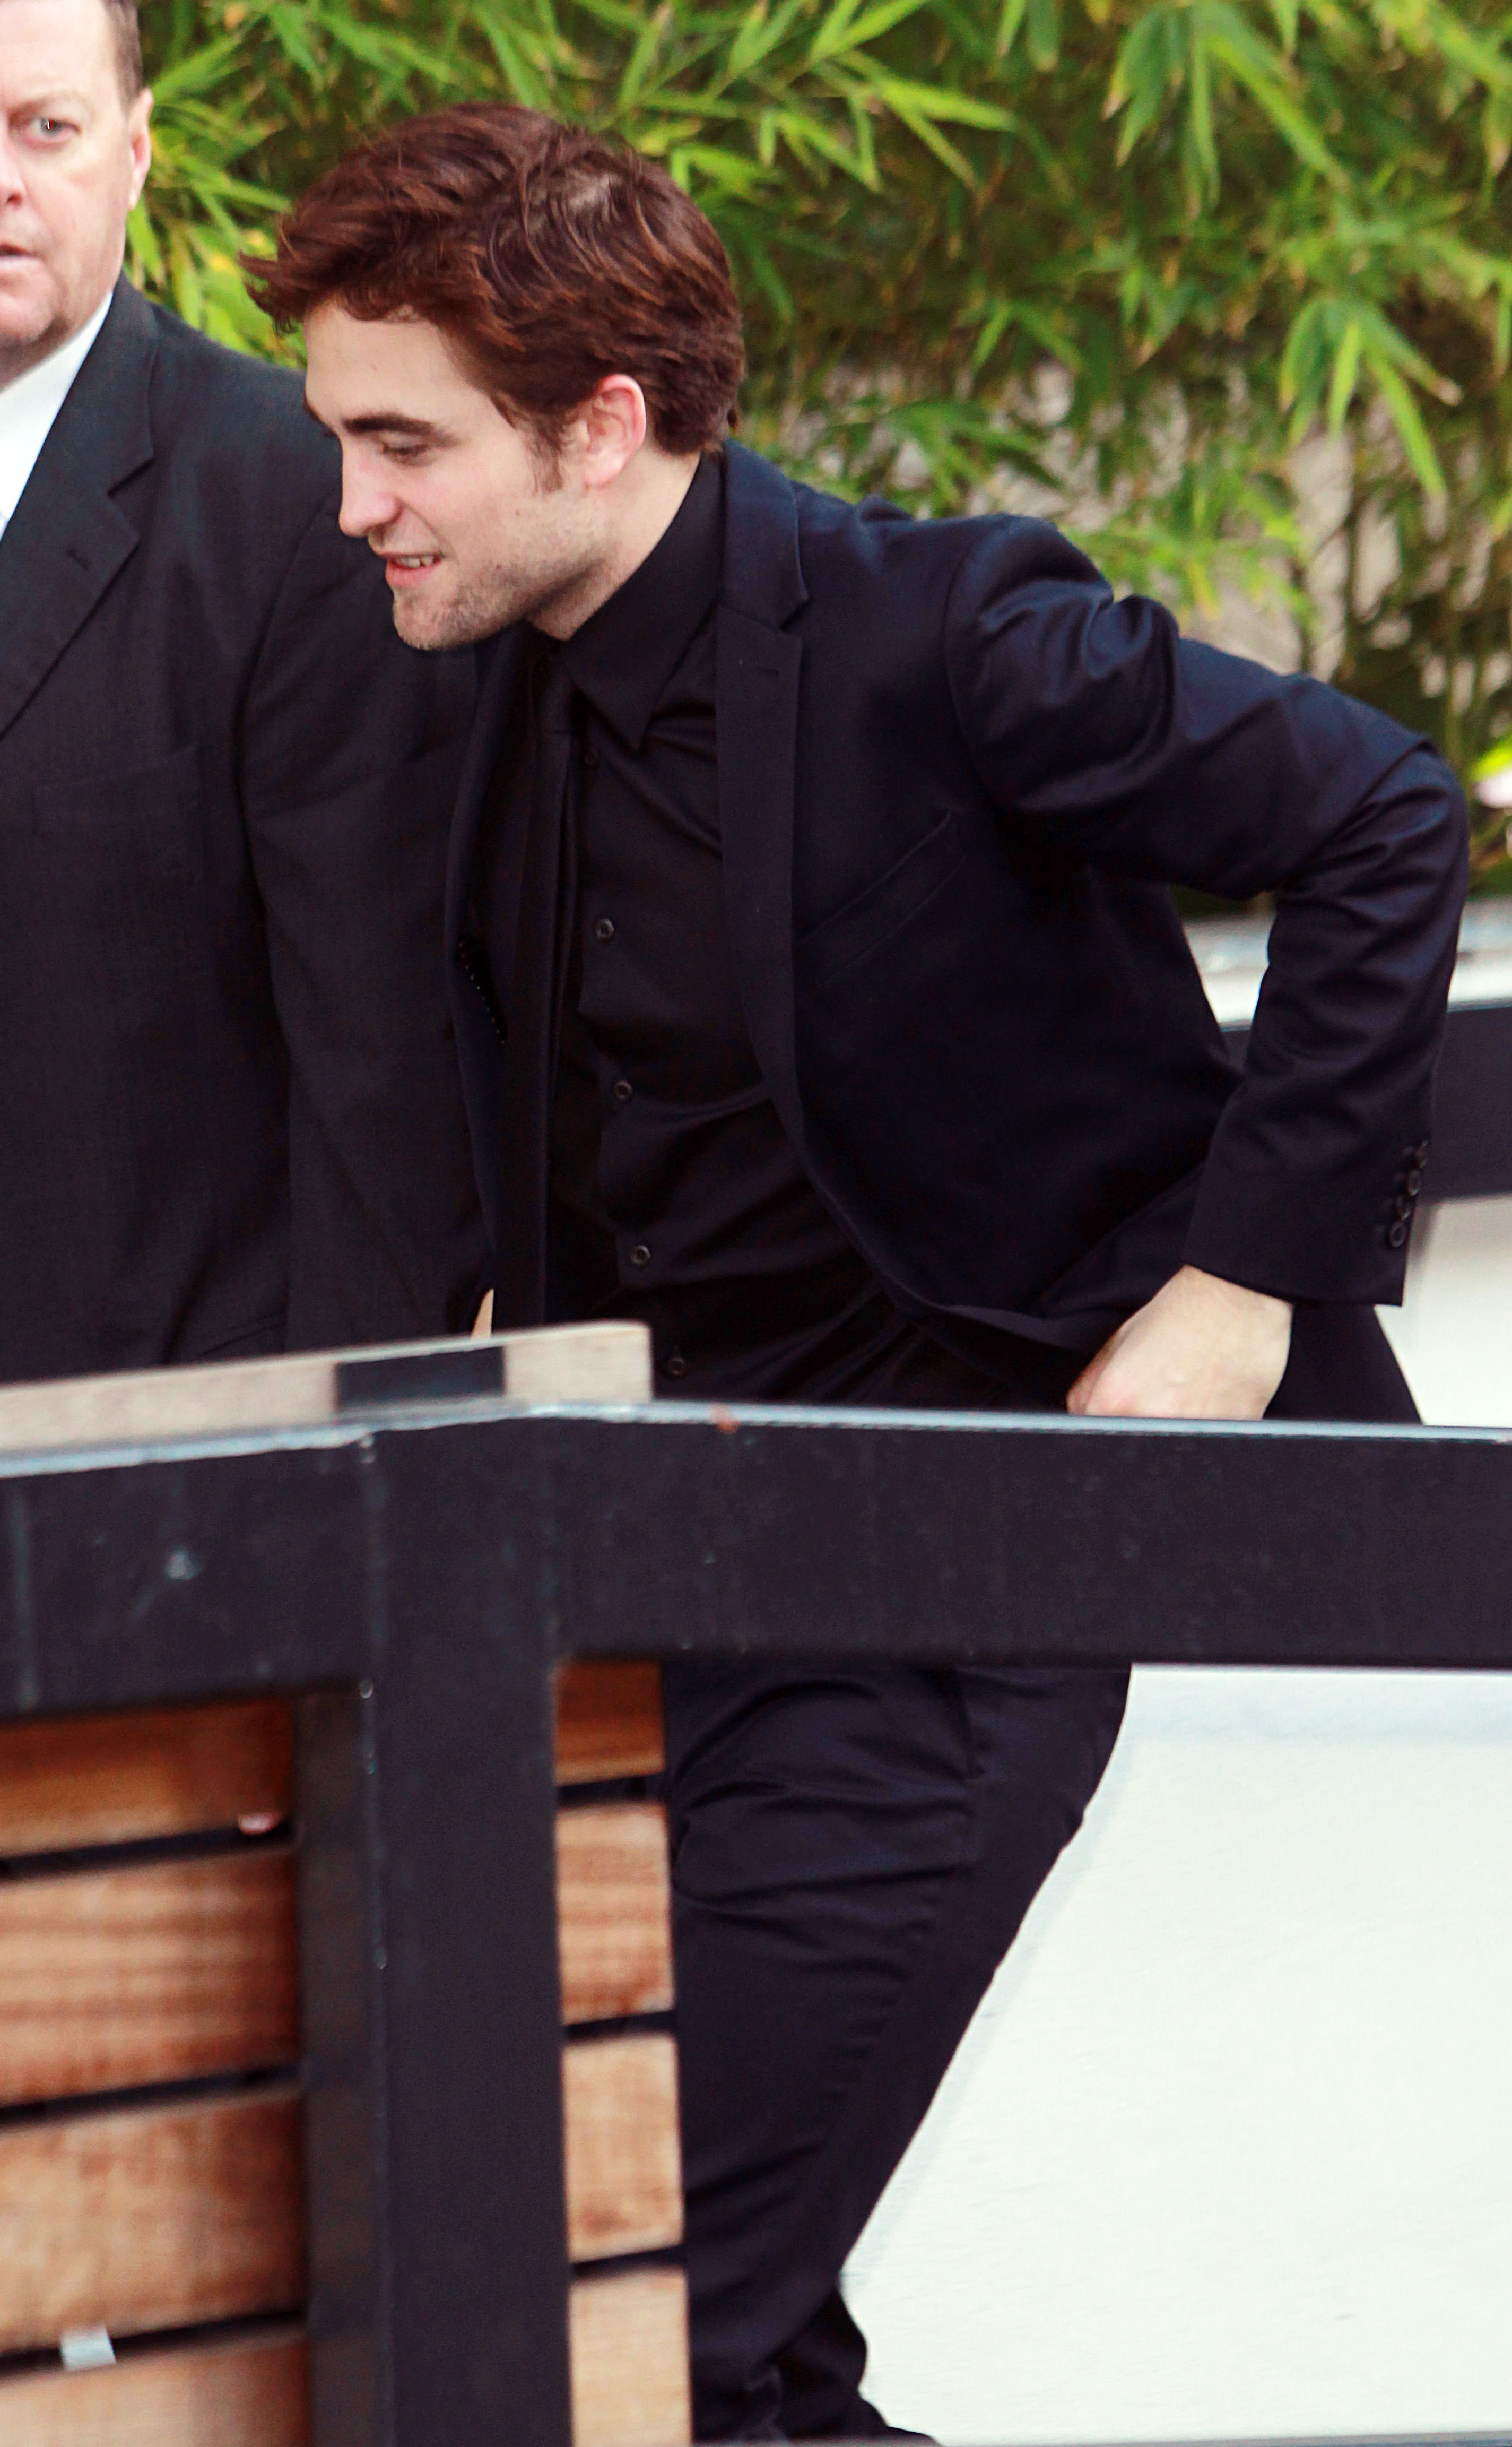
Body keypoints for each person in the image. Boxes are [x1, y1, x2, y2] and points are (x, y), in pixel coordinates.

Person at [253, 105, 1466, 2440]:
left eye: (401, 444)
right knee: (694, 2349)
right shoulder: (486, 669)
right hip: (638, 1608)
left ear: (598, 426)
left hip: (948, 1600)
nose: (351, 504)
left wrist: (1241, 1281)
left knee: (637, 2334)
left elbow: (1382, 814)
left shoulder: (944, 630)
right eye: (339, 439)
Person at [0, 0, 482, 1386]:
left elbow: (385, 1083)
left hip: (158, 1438)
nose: (4, 182)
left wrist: (327, 1466)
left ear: (138, 150)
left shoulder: (301, 495)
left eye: (46, 127)